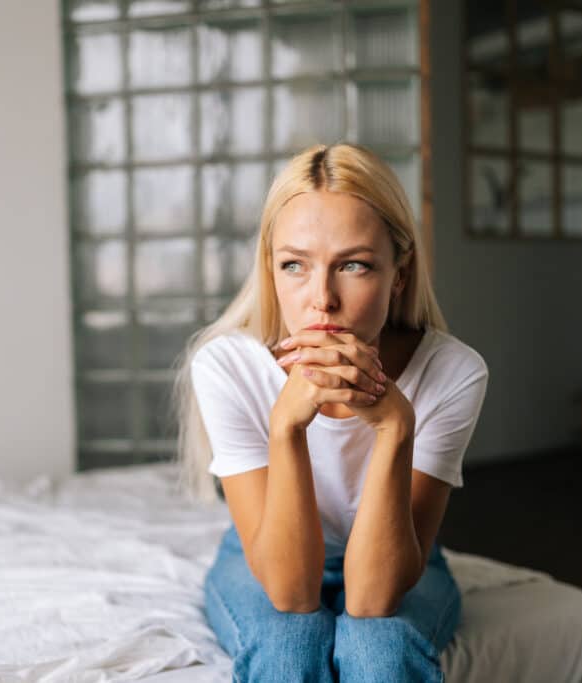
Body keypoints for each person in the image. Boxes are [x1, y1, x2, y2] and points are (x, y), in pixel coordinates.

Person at [171, 142, 489, 682]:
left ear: (400, 274)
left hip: (398, 554)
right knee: (288, 645)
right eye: (294, 265)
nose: (321, 299)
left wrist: (394, 424)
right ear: (270, 270)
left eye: (355, 266)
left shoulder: (454, 372)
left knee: (380, 652)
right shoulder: (228, 366)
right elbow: (291, 594)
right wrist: (286, 426)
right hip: (271, 553)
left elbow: (372, 599)